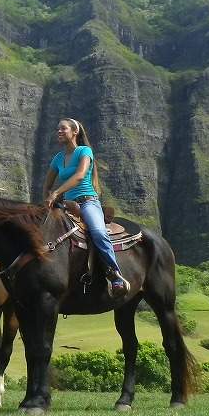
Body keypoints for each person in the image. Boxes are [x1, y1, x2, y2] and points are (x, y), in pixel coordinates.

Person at [42, 118, 131, 298]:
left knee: (98, 232)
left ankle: (115, 275)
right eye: (57, 129)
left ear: (75, 132)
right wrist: (48, 199)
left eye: (63, 128)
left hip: (87, 202)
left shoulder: (85, 151)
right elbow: (47, 185)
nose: (59, 131)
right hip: (68, 205)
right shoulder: (58, 158)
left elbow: (80, 175)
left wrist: (56, 192)